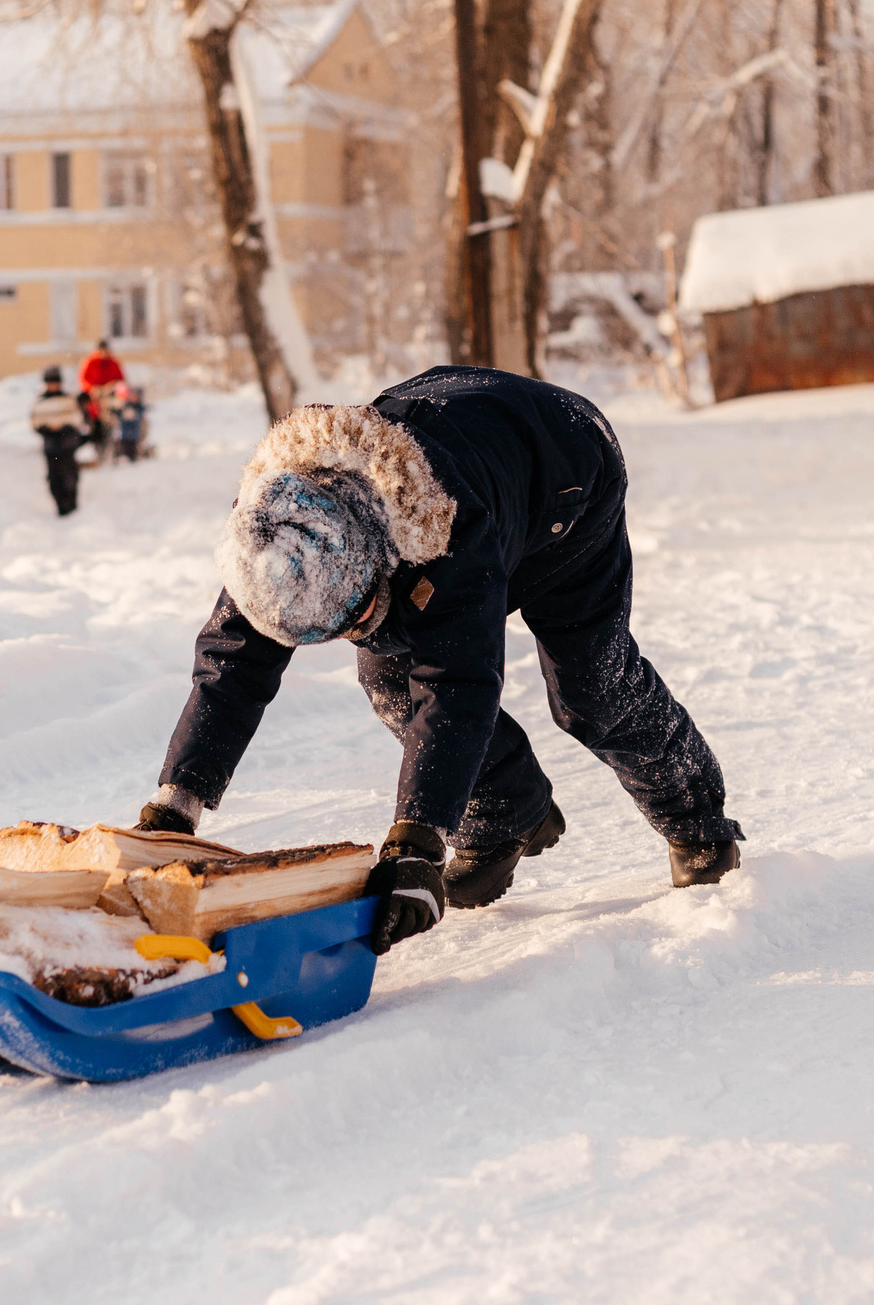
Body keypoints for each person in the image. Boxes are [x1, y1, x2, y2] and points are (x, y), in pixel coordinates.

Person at [134, 365, 745, 954]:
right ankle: (506, 812)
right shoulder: (272, 544)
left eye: (356, 620)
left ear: (378, 563)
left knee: (589, 686)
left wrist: (417, 845)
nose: (353, 638)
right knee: (389, 678)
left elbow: (457, 686)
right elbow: (229, 670)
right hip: (467, 429)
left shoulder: (447, 528)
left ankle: (697, 822)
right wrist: (174, 807)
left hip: (565, 477)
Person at [31, 366, 84, 517]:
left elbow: (77, 419)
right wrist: (46, 429)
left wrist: (67, 428)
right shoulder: (41, 403)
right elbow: (35, 422)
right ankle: (60, 505)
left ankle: (71, 505)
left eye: (55, 382)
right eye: (50, 382)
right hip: (51, 446)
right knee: (54, 478)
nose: (53, 385)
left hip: (67, 444)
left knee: (69, 475)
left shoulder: (67, 400)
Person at [114, 382, 147, 463]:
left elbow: (142, 410)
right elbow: (118, 412)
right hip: (124, 435)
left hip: (134, 435)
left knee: (133, 450)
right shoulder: (125, 406)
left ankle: (134, 458)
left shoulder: (138, 407)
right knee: (125, 448)